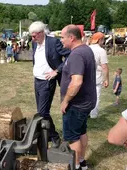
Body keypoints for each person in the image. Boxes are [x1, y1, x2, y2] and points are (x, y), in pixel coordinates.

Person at [60, 25, 96, 170]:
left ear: (71, 37)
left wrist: (66, 101)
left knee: (72, 136)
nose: (61, 40)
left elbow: (76, 82)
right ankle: (82, 161)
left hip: (76, 104)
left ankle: (75, 166)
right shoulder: (86, 49)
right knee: (81, 131)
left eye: (62, 37)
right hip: (86, 101)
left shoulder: (77, 55)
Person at [29, 21, 70, 148]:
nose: (32, 38)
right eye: (31, 36)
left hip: (47, 82)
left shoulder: (54, 42)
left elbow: (69, 55)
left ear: (41, 33)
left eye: (35, 36)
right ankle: (47, 135)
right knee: (41, 111)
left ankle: (54, 137)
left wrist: (57, 71)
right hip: (37, 81)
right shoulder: (34, 44)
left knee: (42, 112)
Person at [89, 32, 109, 118]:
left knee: (87, 96)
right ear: (100, 40)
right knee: (96, 96)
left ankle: (86, 112)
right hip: (97, 77)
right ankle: (93, 114)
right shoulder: (101, 51)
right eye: (103, 39)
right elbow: (104, 67)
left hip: (86, 77)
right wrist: (106, 79)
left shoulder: (87, 48)